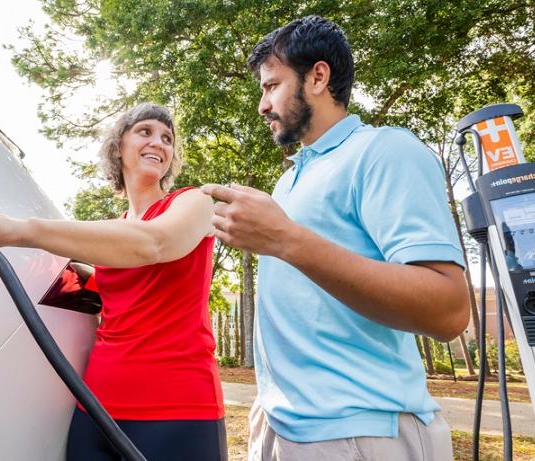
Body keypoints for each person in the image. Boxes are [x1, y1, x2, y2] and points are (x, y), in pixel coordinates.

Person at [201, 16, 470, 461]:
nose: (262, 105)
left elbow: (449, 310)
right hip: (279, 425)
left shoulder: (384, 150)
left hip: (360, 432)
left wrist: (285, 240)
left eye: (271, 86)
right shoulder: (289, 182)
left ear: (318, 77)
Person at [0, 102, 227, 461]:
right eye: (145, 132)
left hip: (179, 408)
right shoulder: (107, 234)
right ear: (118, 148)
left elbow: (153, 243)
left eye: (167, 138)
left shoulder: (195, 202)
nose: (159, 143)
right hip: (95, 407)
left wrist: (20, 229)